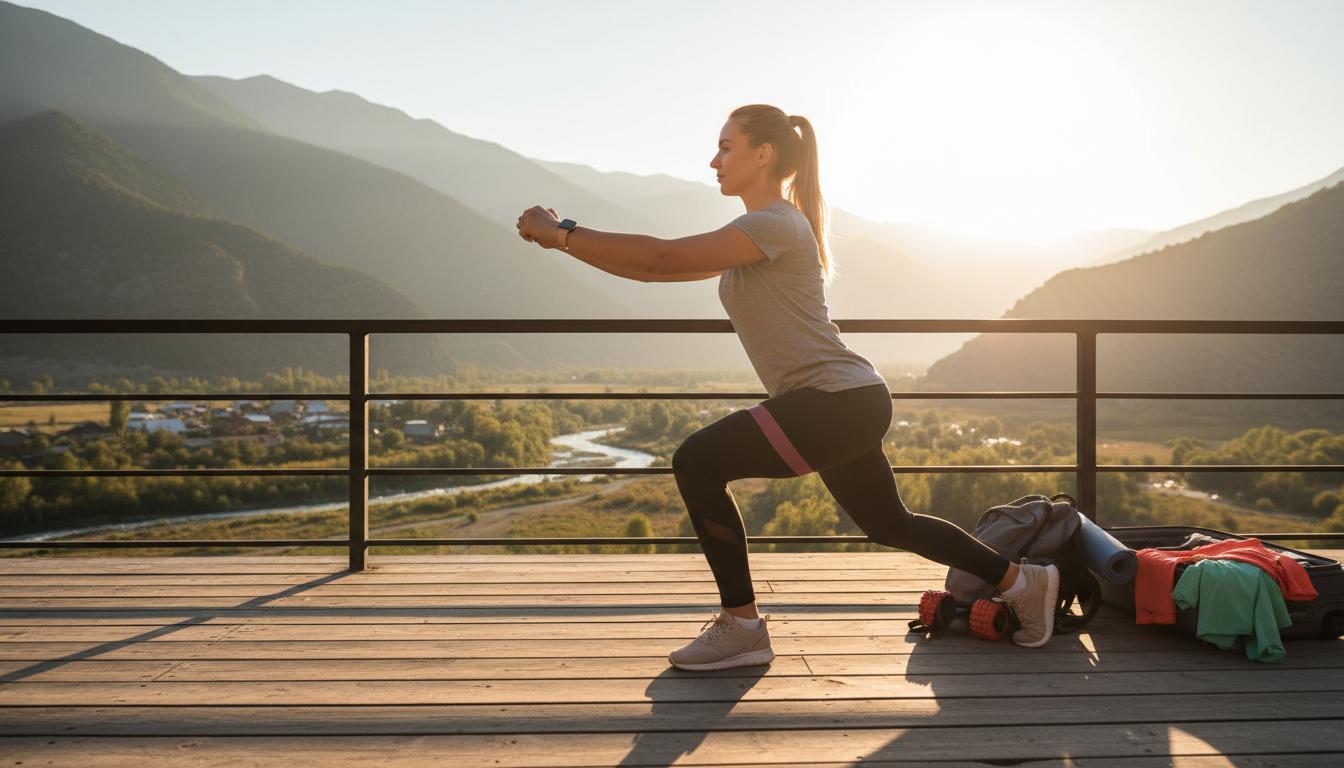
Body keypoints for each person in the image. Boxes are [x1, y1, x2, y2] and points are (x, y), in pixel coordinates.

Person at [515, 104, 1059, 671]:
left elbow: (657, 258)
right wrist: (566, 242)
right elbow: (653, 268)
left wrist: (562, 233)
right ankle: (1025, 582)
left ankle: (743, 626)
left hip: (836, 401)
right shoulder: (756, 231)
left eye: (726, 147)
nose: (713, 160)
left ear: (764, 154)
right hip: (845, 401)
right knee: (888, 523)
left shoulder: (774, 223)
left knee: (697, 462)